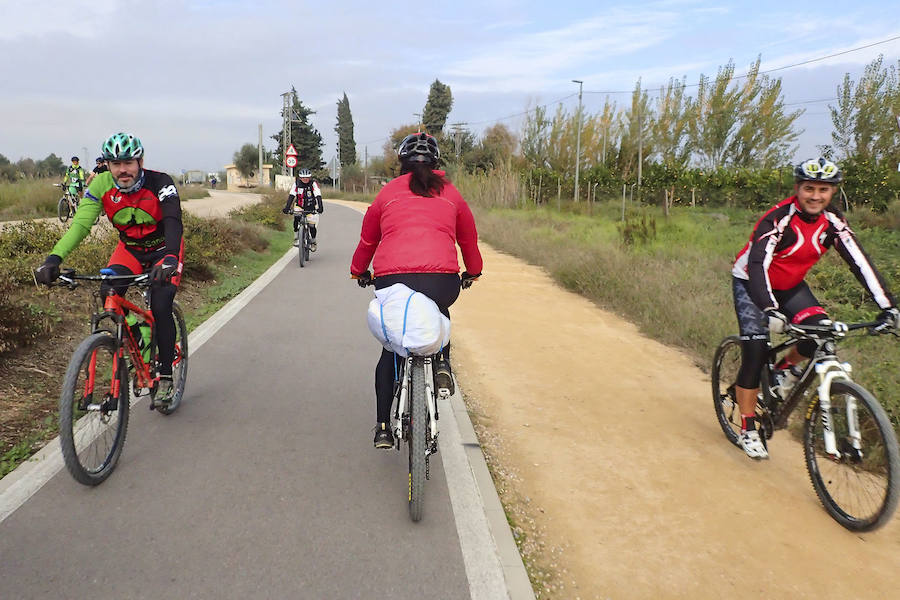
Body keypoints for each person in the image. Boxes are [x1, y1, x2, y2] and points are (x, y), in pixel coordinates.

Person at [730, 157, 898, 459]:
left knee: (820, 333)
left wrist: (889, 307)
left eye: (824, 189)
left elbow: (859, 262)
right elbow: (758, 265)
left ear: (833, 192)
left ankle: (782, 373)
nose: (815, 196)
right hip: (752, 283)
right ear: (797, 189)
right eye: (809, 188)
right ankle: (747, 427)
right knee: (754, 352)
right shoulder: (778, 219)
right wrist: (769, 309)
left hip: (791, 285)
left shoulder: (833, 221)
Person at [349, 132, 483, 449]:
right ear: (436, 163)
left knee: (389, 348)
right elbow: (468, 240)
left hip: (392, 279)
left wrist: (359, 271)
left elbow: (368, 241)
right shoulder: (452, 193)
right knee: (437, 309)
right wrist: (473, 271)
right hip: (442, 282)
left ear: (400, 163)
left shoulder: (386, 194)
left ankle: (383, 427)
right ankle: (441, 364)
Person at [35, 133, 185, 403]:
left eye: (128, 162)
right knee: (108, 291)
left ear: (140, 161)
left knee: (161, 304)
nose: (122, 170)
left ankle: (165, 377)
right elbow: (81, 225)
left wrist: (171, 257)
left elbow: (173, 220)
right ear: (108, 165)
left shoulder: (160, 182)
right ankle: (139, 335)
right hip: (130, 249)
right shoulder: (102, 185)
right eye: (115, 164)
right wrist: (54, 259)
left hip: (165, 249)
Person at [281, 168, 324, 249]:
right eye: (303, 178)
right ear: (300, 178)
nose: (305, 179)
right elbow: (292, 196)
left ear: (310, 177)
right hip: (299, 205)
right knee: (296, 217)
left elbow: (318, 196)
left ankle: (313, 241)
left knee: (311, 225)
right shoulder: (296, 184)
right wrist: (287, 208)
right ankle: (296, 237)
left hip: (311, 206)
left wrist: (320, 207)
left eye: (307, 177)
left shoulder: (313, 184)